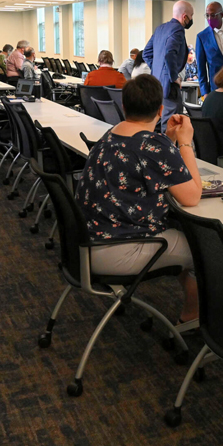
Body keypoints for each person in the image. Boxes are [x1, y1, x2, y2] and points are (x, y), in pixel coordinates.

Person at [76, 74, 201, 322]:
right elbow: (192, 196)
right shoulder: (150, 145)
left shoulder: (110, 136)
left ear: (123, 106)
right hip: (119, 250)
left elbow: (147, 164)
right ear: (160, 109)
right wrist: (185, 143)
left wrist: (170, 139)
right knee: (206, 249)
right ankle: (193, 316)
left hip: (85, 244)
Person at [143, 0, 194, 131]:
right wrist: (173, 77)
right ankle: (168, 151)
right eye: (191, 16)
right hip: (169, 86)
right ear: (184, 16)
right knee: (172, 125)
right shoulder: (178, 29)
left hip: (156, 84)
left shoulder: (160, 28)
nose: (191, 19)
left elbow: (146, 53)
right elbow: (170, 53)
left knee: (157, 123)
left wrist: (158, 69)